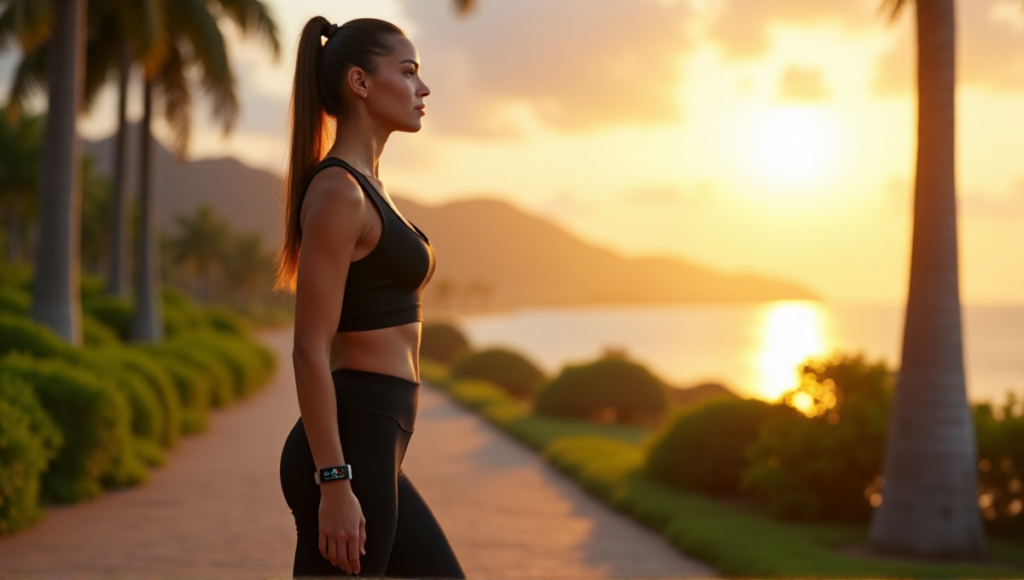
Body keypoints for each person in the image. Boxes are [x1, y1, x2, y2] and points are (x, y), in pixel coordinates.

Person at [274, 16, 466, 579]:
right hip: (349, 448)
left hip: (378, 444)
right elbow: (309, 348)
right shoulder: (339, 191)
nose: (422, 89)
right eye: (408, 73)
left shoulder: (369, 185)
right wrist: (334, 483)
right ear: (360, 82)